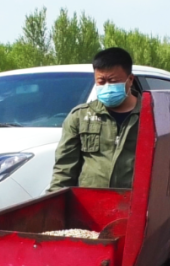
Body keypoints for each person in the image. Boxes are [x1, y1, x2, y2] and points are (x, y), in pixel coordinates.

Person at [50, 47, 139, 191]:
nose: (107, 87)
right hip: (90, 201)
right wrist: (54, 201)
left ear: (130, 79)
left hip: (135, 201)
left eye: (113, 81)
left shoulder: (151, 116)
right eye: (101, 82)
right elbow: (64, 170)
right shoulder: (80, 117)